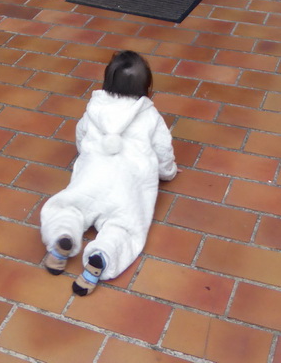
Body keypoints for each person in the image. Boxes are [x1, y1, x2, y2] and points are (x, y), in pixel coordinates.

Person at [39, 50, 178, 296]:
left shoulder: (95, 108)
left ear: (106, 83)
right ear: (147, 90)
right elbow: (163, 151)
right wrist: (167, 173)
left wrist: (88, 155)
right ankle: (102, 256)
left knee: (70, 207)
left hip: (92, 178)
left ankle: (63, 234)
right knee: (124, 226)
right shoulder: (150, 116)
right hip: (127, 188)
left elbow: (82, 136)